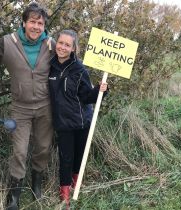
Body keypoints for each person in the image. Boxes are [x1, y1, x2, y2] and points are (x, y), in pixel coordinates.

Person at [0, 2, 55, 209]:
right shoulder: (8, 43)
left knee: (42, 148)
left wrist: (95, 89)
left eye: (40, 23)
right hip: (20, 109)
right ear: (24, 23)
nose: (36, 27)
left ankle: (37, 186)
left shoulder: (51, 44)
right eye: (32, 22)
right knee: (20, 151)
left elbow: (70, 61)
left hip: (45, 107)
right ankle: (14, 196)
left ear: (44, 26)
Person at [48, 29, 108, 208]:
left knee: (78, 156)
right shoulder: (49, 66)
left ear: (74, 48)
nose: (63, 47)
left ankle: (76, 182)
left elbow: (88, 97)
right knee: (65, 157)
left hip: (82, 121)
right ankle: (64, 192)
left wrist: (100, 91)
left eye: (67, 45)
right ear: (55, 44)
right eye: (60, 43)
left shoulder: (80, 69)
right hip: (62, 122)